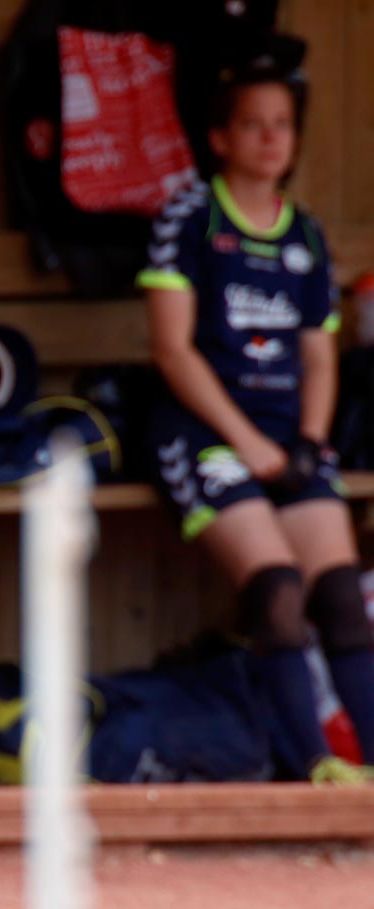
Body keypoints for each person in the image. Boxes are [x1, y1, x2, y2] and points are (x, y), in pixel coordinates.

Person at [137, 60, 374, 783]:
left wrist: (308, 441)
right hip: (204, 436)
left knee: (338, 595)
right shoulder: (190, 218)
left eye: (283, 125)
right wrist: (249, 445)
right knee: (276, 588)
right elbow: (172, 352)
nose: (271, 139)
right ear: (219, 137)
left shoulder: (304, 231)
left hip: (285, 441)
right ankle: (312, 772)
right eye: (253, 124)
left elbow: (321, 357)